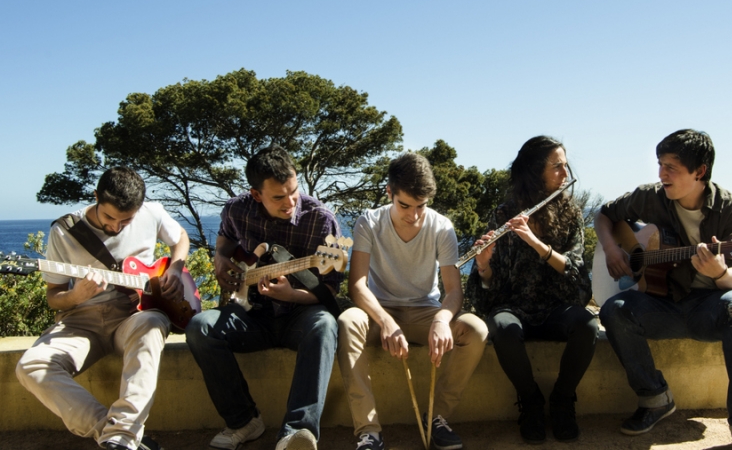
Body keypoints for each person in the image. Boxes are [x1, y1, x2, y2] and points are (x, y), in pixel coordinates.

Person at [595, 129, 732, 450]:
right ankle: (655, 399)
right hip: (663, 305)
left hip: (709, 308)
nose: (661, 174)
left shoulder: (730, 209)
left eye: (671, 167)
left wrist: (719, 273)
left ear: (699, 171)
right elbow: (605, 214)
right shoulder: (650, 197)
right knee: (614, 310)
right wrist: (611, 250)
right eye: (660, 165)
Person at [16, 167, 190, 450]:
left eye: (126, 220)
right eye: (109, 217)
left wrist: (176, 268)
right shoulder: (64, 231)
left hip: (133, 317)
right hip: (81, 322)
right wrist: (76, 295)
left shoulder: (152, 213)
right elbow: (53, 296)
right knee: (30, 366)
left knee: (153, 323)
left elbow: (180, 236)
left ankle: (121, 435)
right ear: (96, 197)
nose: (116, 227)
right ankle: (116, 435)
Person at [185, 145, 342, 450]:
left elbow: (330, 290)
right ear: (256, 195)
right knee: (200, 327)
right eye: (279, 197)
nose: (290, 202)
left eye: (294, 191)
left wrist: (292, 294)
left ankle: (297, 432)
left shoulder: (321, 219)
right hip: (251, 314)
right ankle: (243, 421)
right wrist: (220, 257)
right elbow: (226, 237)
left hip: (300, 315)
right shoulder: (236, 209)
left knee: (324, 325)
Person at [337, 152, 488, 450]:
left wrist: (442, 319)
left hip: (425, 312)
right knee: (347, 320)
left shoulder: (442, 227)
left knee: (476, 330)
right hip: (380, 313)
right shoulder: (369, 222)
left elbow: (453, 290)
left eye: (421, 206)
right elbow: (357, 286)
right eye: (405, 205)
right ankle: (369, 431)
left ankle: (437, 417)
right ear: (389, 192)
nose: (414, 215)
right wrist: (385, 320)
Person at [465, 136, 598, 444]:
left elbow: (577, 274)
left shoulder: (571, 214)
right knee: (502, 327)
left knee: (587, 325)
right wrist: (484, 265)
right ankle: (531, 401)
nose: (565, 174)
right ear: (535, 171)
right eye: (557, 167)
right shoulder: (504, 215)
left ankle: (563, 400)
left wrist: (536, 244)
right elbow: (488, 290)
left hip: (556, 307)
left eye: (565, 166)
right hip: (515, 307)